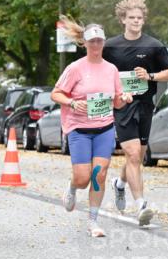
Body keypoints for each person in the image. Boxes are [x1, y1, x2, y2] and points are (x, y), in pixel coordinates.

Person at [52, 17, 133, 238]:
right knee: (82, 178)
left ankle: (93, 220)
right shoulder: (75, 68)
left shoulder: (112, 70)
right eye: (92, 41)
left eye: (99, 41)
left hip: (104, 127)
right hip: (79, 128)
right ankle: (71, 188)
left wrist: (124, 98)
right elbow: (56, 93)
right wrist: (70, 102)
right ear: (85, 43)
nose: (96, 45)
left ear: (104, 43)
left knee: (99, 174)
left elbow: (116, 100)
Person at [102, 0, 168, 226]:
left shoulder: (153, 45)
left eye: (139, 18)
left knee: (138, 156)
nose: (136, 21)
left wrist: (150, 75)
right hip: (122, 106)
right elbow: (99, 69)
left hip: (145, 105)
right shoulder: (111, 46)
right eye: (131, 18)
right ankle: (141, 205)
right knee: (133, 155)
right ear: (123, 19)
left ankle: (119, 184)